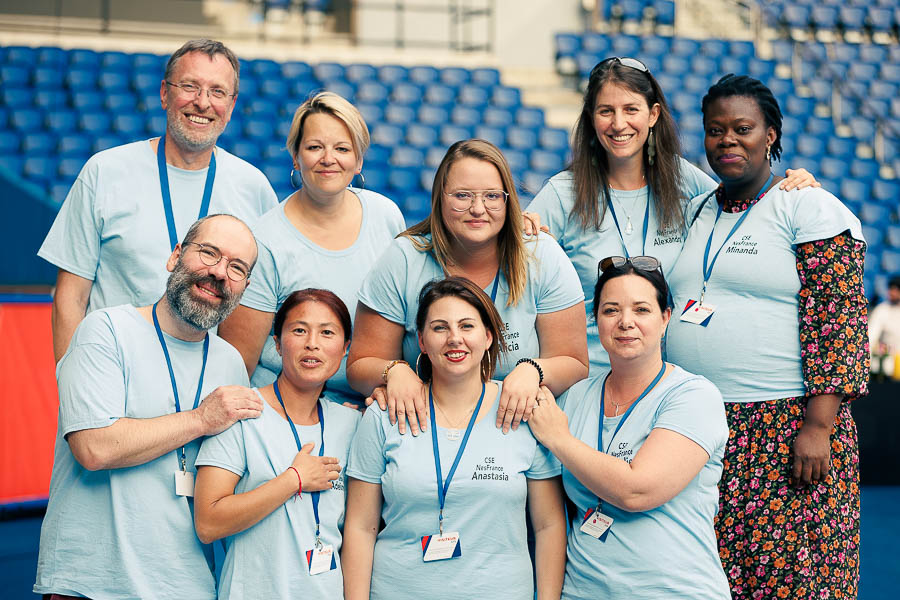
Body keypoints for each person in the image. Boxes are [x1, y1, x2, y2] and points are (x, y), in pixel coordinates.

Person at [665, 74, 868, 599]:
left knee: (795, 581)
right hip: (704, 428)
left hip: (784, 425)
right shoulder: (698, 211)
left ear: (771, 135)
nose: (727, 140)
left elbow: (839, 321)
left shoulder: (809, 208)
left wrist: (819, 425)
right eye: (715, 130)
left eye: (743, 128)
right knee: (716, 581)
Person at [528, 56, 818, 375]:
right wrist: (521, 233)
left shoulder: (683, 180)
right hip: (591, 382)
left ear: (653, 114)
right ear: (591, 118)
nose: (618, 123)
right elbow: (510, 257)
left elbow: (745, 210)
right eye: (606, 111)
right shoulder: (561, 193)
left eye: (631, 109)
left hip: (672, 382)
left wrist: (788, 186)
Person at [34, 214, 263, 600]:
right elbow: (93, 447)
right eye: (209, 253)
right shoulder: (105, 330)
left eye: (236, 267)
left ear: (245, 287)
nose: (219, 273)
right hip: (91, 584)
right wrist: (201, 420)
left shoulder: (231, 364)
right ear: (175, 256)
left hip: (187, 585)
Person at [39, 38, 277, 362]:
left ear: (232, 106)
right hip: (111, 371)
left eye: (217, 92)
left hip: (203, 387)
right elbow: (71, 296)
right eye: (190, 86)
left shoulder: (254, 188)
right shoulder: (104, 171)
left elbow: (256, 305)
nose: (202, 102)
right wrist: (72, 380)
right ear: (165, 93)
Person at [342, 277, 566, 600]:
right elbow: (361, 528)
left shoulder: (522, 411)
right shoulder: (384, 414)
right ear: (421, 340)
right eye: (439, 328)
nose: (455, 339)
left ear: (488, 337)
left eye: (466, 326)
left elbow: (548, 526)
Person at [347, 139, 588, 435]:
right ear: (440, 198)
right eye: (462, 195)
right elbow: (359, 367)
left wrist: (534, 370)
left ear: (508, 200)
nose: (478, 209)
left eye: (492, 196)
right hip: (425, 428)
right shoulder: (404, 258)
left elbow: (575, 363)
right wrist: (393, 371)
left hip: (519, 430)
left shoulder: (542, 255)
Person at [528, 256, 730, 599]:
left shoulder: (694, 396)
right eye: (610, 310)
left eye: (641, 310)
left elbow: (637, 491)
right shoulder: (574, 398)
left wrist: (559, 439)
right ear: (595, 320)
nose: (625, 322)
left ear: (665, 318)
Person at [218, 92, 405, 406]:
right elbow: (238, 369)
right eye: (315, 147)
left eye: (342, 148)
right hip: (289, 410)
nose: (328, 159)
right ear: (295, 156)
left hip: (372, 405)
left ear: (358, 159)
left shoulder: (387, 216)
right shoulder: (263, 240)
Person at [194, 289, 361, 598]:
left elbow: (360, 531)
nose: (312, 343)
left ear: (345, 348)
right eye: (299, 330)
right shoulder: (242, 411)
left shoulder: (352, 425)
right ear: (276, 341)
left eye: (327, 332)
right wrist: (293, 480)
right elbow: (208, 522)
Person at [869, 276, 900, 374]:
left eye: (896, 290)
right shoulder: (881, 310)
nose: (892, 292)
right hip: (887, 364)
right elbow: (871, 337)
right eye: (890, 289)